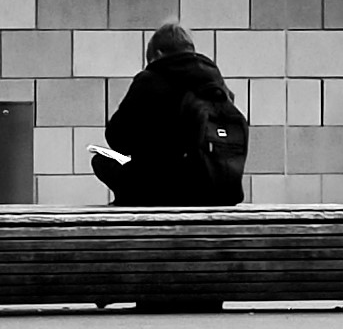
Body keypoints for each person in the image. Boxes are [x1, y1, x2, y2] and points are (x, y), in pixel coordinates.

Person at [91, 22, 245, 207]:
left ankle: (133, 199)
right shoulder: (218, 86)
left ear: (158, 55)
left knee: (101, 157)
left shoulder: (150, 80)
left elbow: (116, 137)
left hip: (164, 191)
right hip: (218, 190)